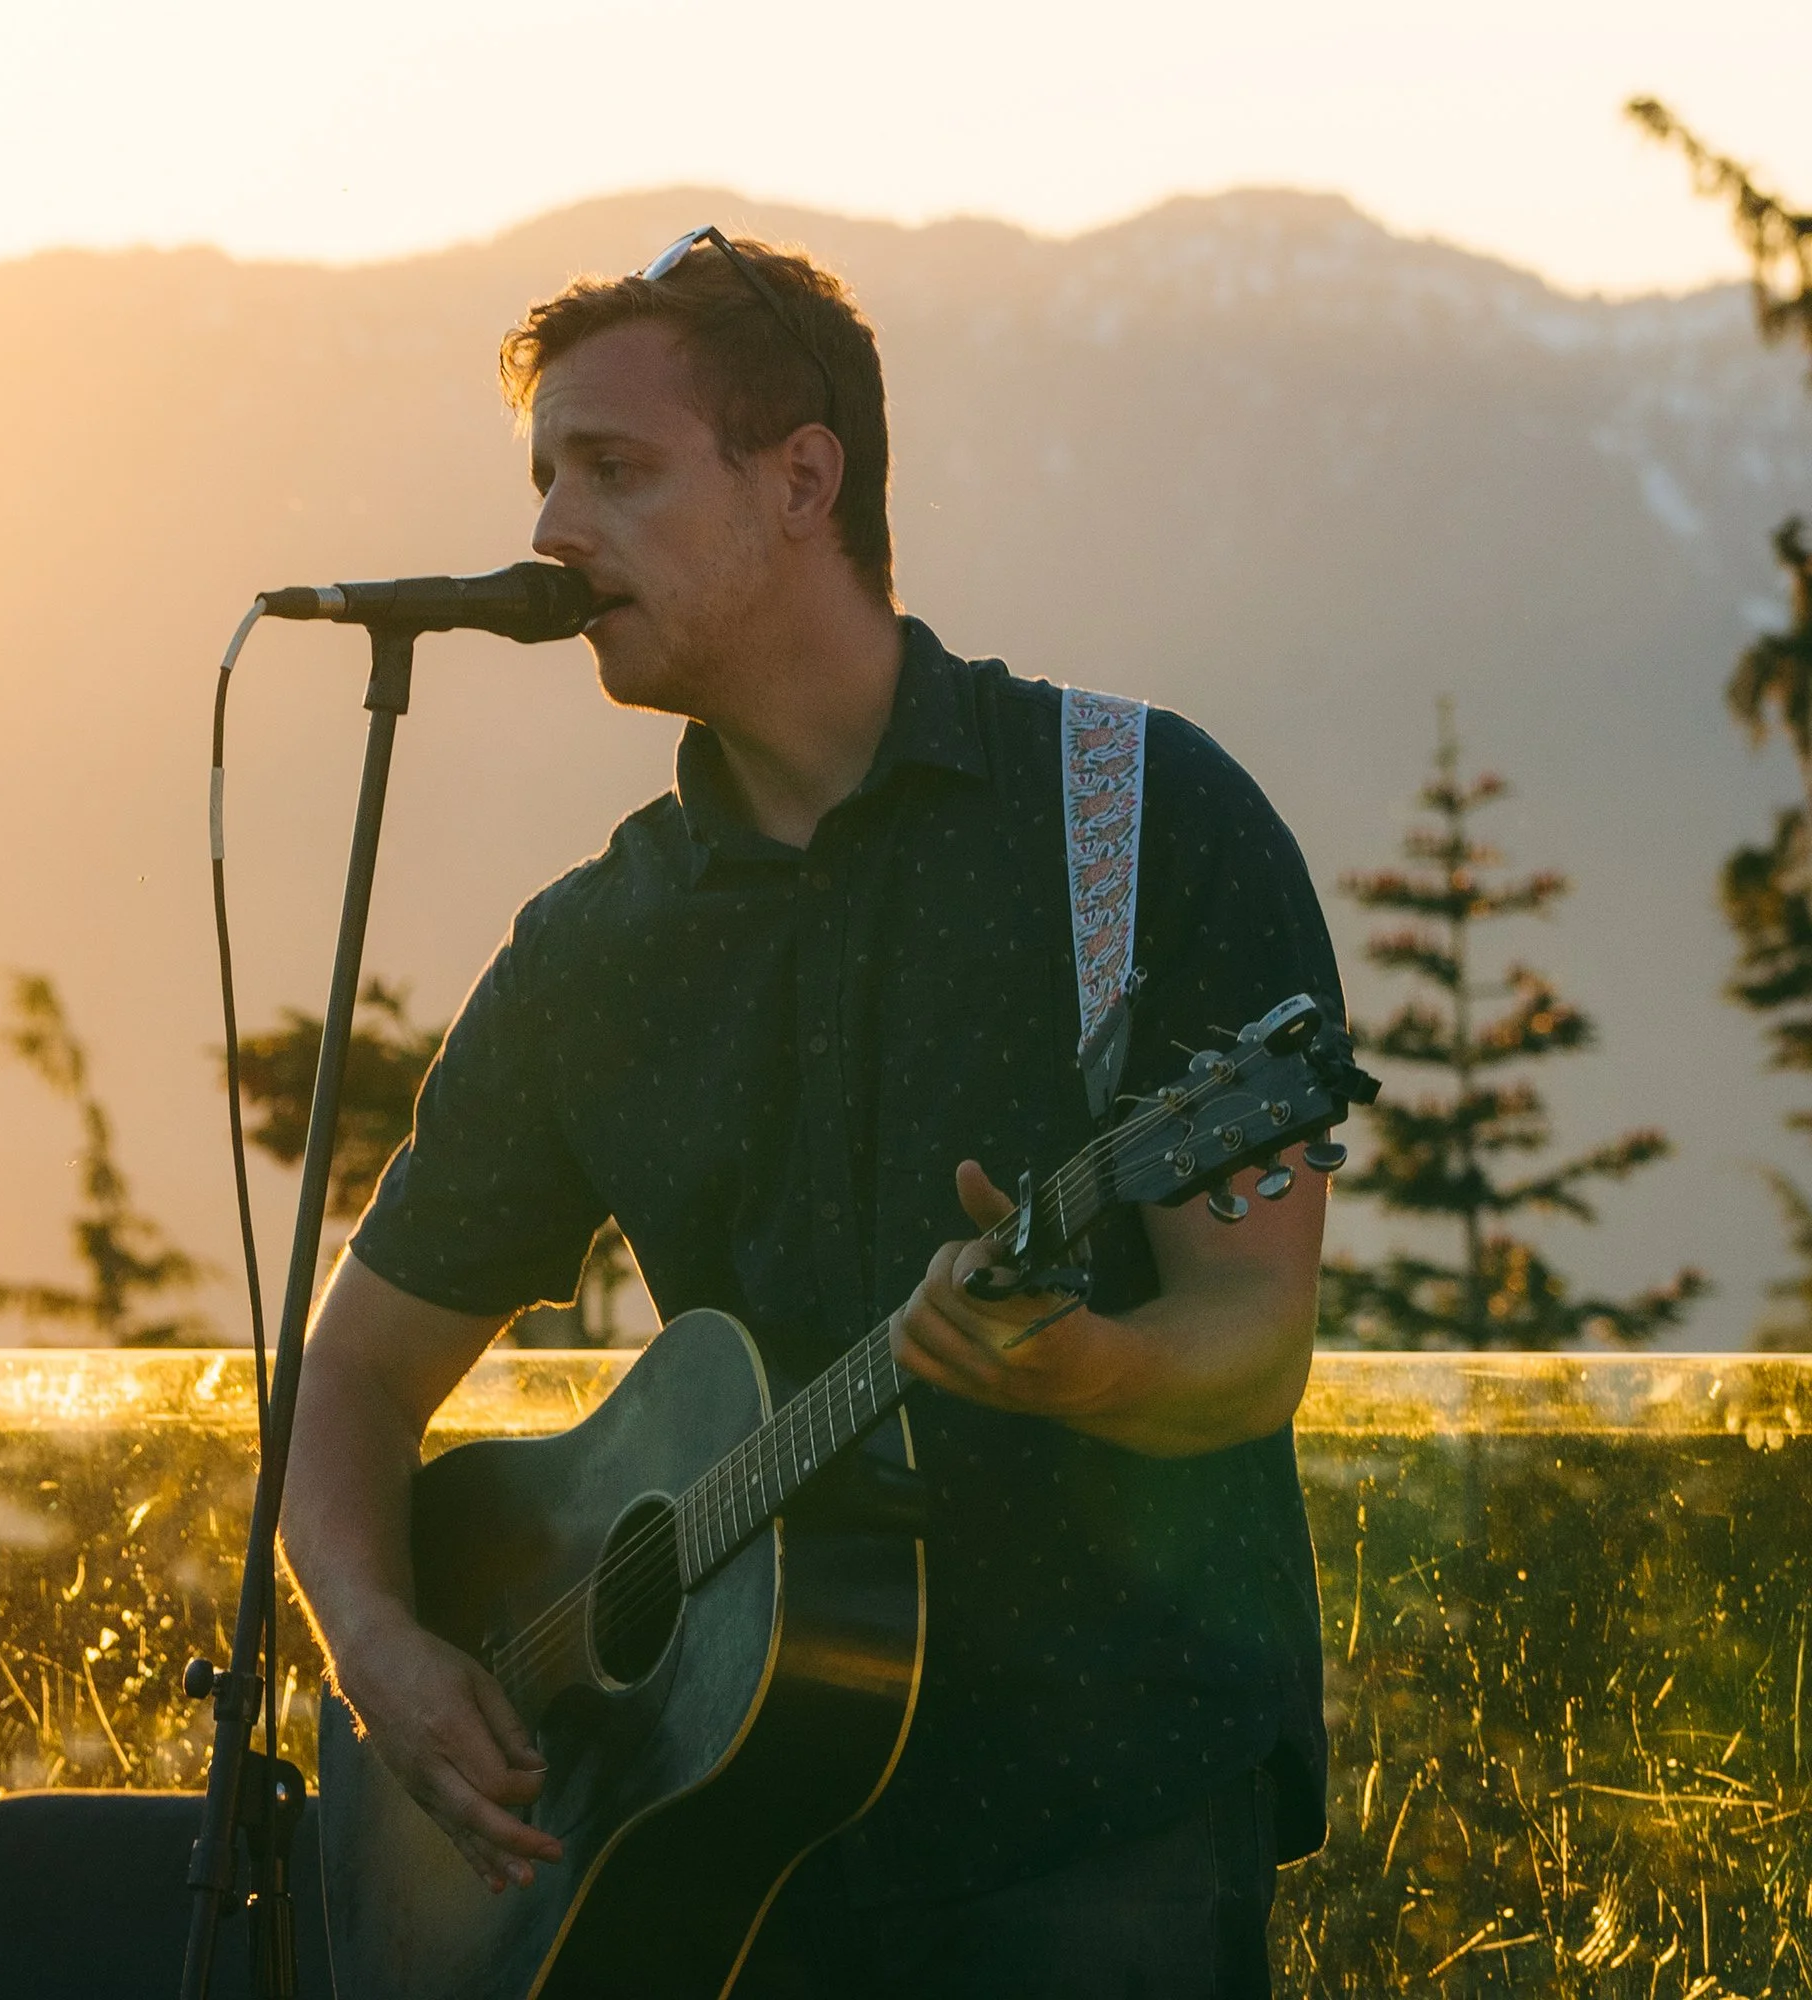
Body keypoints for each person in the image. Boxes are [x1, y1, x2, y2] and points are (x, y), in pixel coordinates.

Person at [280, 227, 1342, 1999]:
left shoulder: (1136, 824)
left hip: (1095, 1825)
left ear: (802, 482)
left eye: (613, 469)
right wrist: (379, 1640)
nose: (550, 531)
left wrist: (1093, 1371)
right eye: (544, 475)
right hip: (702, 1852)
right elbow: (354, 1372)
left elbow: (1254, 1334)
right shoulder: (590, 953)